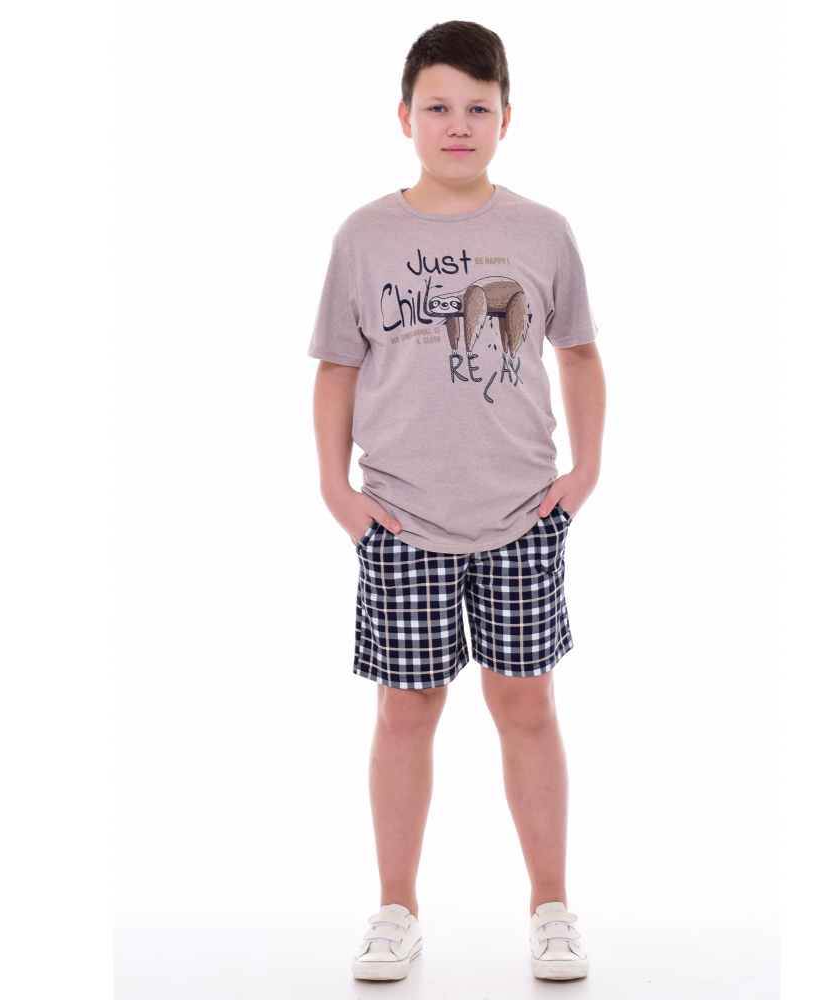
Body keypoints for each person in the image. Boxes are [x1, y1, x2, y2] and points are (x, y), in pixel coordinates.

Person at [308, 20, 605, 983]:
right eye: (438, 107)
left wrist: (585, 473)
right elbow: (336, 367)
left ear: (506, 118)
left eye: (479, 108)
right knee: (406, 711)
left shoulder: (542, 231)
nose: (458, 125)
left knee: (527, 705)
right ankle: (396, 910)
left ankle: (551, 908)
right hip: (403, 520)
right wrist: (336, 490)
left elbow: (580, 354)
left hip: (521, 515)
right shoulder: (365, 236)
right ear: (405, 117)